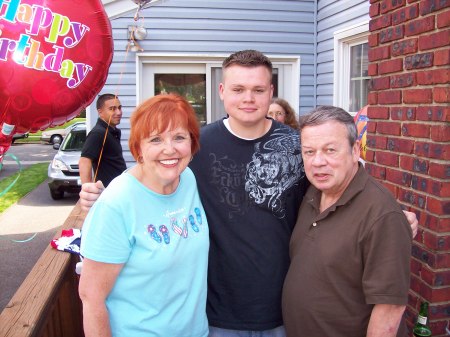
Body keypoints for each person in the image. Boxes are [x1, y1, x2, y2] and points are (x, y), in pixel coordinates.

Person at [79, 50, 418, 337]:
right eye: (239, 88)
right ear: (223, 91)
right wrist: (98, 194)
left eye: (258, 89)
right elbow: (150, 176)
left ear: (271, 92)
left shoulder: (296, 145)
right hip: (217, 315)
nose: (248, 98)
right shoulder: (196, 147)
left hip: (283, 312)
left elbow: (337, 179)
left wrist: (394, 217)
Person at [78, 93, 209, 337]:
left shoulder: (188, 179)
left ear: (192, 143)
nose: (169, 149)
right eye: (156, 139)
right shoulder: (116, 204)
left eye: (179, 137)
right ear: (139, 148)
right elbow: (91, 297)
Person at [282, 106, 412, 337]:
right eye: (309, 152)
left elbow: (390, 309)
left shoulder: (381, 214)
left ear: (354, 151)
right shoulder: (312, 193)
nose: (318, 161)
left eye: (330, 150)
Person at [79, 93, 127, 187]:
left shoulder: (111, 132)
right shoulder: (98, 133)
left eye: (119, 108)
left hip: (119, 190)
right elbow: (84, 161)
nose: (118, 112)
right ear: (100, 112)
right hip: (108, 193)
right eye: (112, 109)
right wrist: (88, 191)